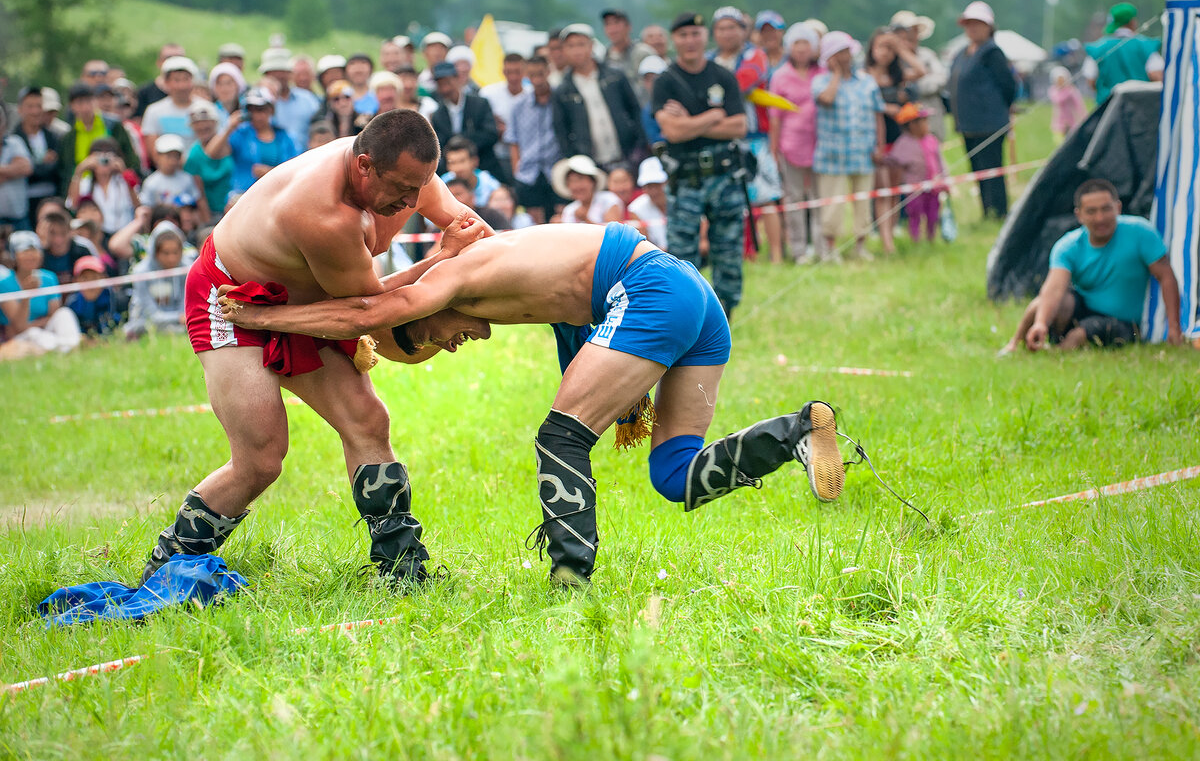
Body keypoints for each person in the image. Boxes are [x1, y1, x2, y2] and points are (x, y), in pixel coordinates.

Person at [216, 221, 846, 586]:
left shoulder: (458, 279)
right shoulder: (459, 272)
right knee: (674, 475)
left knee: (561, 438)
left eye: (432, 341)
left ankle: (571, 578)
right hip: (690, 297)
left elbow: (371, 307)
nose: (451, 347)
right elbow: (397, 294)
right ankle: (795, 433)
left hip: (651, 288)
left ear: (425, 315)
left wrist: (272, 317)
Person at [135, 110, 492, 589]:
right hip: (233, 298)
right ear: (364, 165)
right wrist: (440, 259)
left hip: (312, 299)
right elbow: (367, 308)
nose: (412, 201)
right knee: (261, 457)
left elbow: (476, 233)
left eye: (421, 187)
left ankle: (402, 568)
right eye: (402, 190)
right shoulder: (325, 213)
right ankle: (169, 561)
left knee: (368, 421)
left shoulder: (406, 169)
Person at [999, 179, 1183, 355]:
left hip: (1124, 323)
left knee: (1080, 334)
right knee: (1041, 303)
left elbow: (1166, 276)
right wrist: (1040, 323)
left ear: (1118, 208)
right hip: (1084, 308)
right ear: (1079, 215)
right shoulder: (1068, 246)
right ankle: (1015, 344)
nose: (1100, 218)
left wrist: (1174, 328)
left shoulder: (1141, 233)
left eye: (1106, 209)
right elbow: (1054, 288)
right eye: (1092, 211)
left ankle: (1055, 354)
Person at [653, 12, 748, 317]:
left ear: (704, 36)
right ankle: (686, 314)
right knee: (682, 254)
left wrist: (690, 123)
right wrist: (712, 116)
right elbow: (672, 132)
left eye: (695, 34)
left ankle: (725, 314)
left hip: (724, 175)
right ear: (674, 40)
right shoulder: (665, 81)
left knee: (728, 250)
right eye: (683, 35)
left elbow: (739, 127)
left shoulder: (722, 76)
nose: (690, 41)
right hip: (686, 178)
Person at [710, 6, 785, 263]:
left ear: (743, 31)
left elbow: (743, 82)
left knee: (766, 196)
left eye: (733, 27)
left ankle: (776, 255)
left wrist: (714, 94)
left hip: (754, 137)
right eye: (722, 28)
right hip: (719, 138)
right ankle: (742, 256)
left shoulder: (755, 55)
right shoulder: (708, 60)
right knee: (728, 200)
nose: (727, 33)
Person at [812, 31, 885, 261]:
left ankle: (860, 245)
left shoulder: (866, 81)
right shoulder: (821, 81)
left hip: (863, 151)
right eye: (838, 53)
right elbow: (826, 99)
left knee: (863, 202)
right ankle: (831, 248)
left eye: (846, 52)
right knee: (833, 203)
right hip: (833, 154)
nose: (844, 57)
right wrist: (835, 74)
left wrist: (879, 146)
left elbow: (877, 115)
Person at [949, 1, 1016, 219]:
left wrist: (998, 109)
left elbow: (1009, 85)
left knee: (993, 169)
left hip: (990, 124)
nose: (973, 28)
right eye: (969, 24)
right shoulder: (962, 53)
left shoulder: (993, 53)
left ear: (989, 27)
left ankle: (999, 211)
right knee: (977, 170)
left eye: (978, 24)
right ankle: (987, 210)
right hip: (968, 124)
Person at [553, 23, 646, 169]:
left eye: (581, 44)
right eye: (570, 46)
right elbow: (561, 131)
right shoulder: (563, 91)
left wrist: (639, 147)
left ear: (591, 46)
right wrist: (575, 161)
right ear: (564, 51)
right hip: (591, 165)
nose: (576, 51)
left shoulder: (615, 76)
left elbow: (635, 110)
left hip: (627, 156)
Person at [769, 22, 823, 263]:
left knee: (820, 197)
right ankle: (799, 249)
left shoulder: (822, 73)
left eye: (806, 44)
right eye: (797, 44)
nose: (801, 49)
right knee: (794, 198)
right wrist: (774, 149)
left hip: (821, 144)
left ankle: (823, 247)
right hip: (790, 146)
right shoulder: (780, 76)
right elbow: (775, 117)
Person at [865, 29, 921, 255]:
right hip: (875, 137)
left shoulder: (898, 76)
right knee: (882, 189)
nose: (885, 53)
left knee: (895, 189)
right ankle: (885, 239)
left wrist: (900, 48)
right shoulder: (864, 75)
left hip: (898, 138)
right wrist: (887, 108)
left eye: (889, 49)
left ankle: (892, 229)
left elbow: (920, 70)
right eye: (881, 47)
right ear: (871, 49)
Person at [2, 229, 82, 356]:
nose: (31, 255)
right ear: (14, 255)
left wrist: (35, 324)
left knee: (64, 313)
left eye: (34, 250)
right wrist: (26, 295)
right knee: (34, 333)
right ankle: (67, 348)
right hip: (20, 339)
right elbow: (19, 327)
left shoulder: (49, 278)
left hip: (46, 332)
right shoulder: (4, 283)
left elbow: (54, 315)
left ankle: (69, 347)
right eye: (25, 251)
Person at [204, 88, 298, 195]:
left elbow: (294, 171)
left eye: (260, 110)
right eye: (251, 110)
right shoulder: (241, 134)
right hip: (245, 195)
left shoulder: (284, 137)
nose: (256, 116)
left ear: (270, 110)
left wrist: (270, 173)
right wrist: (228, 128)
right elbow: (211, 153)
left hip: (276, 195)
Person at [505, 56, 563, 223]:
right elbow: (513, 140)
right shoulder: (519, 105)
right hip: (528, 171)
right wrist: (517, 168)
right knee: (534, 223)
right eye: (532, 74)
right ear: (526, 75)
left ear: (548, 72)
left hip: (556, 167)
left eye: (540, 73)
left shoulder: (560, 99)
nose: (537, 79)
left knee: (560, 218)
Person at [429, 62, 502, 180]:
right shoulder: (438, 114)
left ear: (457, 79)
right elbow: (439, 145)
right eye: (440, 84)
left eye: (448, 82)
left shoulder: (479, 104)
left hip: (485, 166)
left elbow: (491, 134)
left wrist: (461, 143)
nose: (445, 88)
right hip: (454, 174)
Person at [58, 83, 140, 188]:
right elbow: (65, 171)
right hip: (82, 189)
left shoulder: (113, 126)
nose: (85, 108)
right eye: (79, 103)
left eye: (88, 101)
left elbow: (130, 158)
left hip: (114, 185)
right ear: (72, 106)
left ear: (95, 101)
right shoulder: (69, 137)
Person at [123, 221, 194, 339]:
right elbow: (150, 314)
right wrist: (178, 318)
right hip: (145, 323)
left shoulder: (187, 269)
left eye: (175, 252)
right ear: (155, 252)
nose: (171, 258)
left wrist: (183, 318)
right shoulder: (141, 272)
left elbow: (185, 306)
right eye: (166, 253)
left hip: (181, 323)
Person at [886, 104, 946, 243]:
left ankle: (931, 237)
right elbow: (895, 163)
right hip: (913, 190)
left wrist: (945, 181)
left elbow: (940, 162)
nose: (927, 125)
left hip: (933, 187)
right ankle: (915, 238)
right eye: (923, 121)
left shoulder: (932, 140)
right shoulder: (903, 144)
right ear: (912, 125)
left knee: (933, 213)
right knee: (915, 213)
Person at [1083, 3, 1164, 105]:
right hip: (1140, 107)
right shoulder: (1145, 46)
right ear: (1132, 22)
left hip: (1107, 109)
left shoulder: (1098, 48)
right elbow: (1157, 76)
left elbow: (1091, 81)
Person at [889, 10, 948, 141]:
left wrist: (914, 88)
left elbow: (940, 79)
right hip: (903, 123)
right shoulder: (892, 60)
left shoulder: (927, 55)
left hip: (930, 119)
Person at [65, 137, 140, 236]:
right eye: (98, 157)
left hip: (121, 235)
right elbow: (73, 205)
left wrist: (123, 171)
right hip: (95, 236)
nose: (103, 162)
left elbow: (137, 205)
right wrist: (80, 170)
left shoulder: (122, 181)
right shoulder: (86, 183)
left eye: (108, 157)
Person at [480, 53, 532, 182]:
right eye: (509, 72)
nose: (513, 77)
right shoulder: (488, 94)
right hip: (498, 156)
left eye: (517, 72)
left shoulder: (532, 94)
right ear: (503, 71)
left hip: (526, 155)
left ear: (525, 72)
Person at [12, 87, 62, 219]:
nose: (35, 111)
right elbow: (21, 171)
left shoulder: (53, 137)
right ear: (20, 109)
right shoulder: (14, 140)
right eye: (30, 106)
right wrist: (39, 164)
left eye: (39, 106)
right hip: (23, 204)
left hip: (52, 199)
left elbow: (57, 168)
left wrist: (30, 165)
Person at [259, 51, 322, 152]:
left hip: (306, 158)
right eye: (273, 72)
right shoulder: (261, 103)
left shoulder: (307, 98)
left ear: (289, 73)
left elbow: (320, 126)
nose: (279, 76)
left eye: (282, 71)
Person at [141, 56, 203, 158]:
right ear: (166, 82)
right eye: (176, 80)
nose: (182, 86)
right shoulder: (154, 111)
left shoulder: (205, 108)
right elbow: (152, 150)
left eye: (186, 79)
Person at [140, 135, 207, 222]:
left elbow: (197, 203)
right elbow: (147, 209)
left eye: (176, 156)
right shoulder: (151, 182)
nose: (173, 161)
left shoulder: (187, 179)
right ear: (158, 156)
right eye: (168, 156)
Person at [184, 101, 234, 217]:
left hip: (236, 204)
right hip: (214, 212)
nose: (202, 126)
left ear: (214, 122)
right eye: (197, 123)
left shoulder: (229, 143)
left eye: (205, 121)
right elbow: (199, 194)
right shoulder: (194, 155)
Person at [602, 9, 655, 101]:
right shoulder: (603, 56)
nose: (612, 29)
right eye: (608, 24)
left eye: (616, 23)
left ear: (628, 27)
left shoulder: (643, 53)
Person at [552, 155, 622, 224]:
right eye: (571, 181)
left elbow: (613, 233)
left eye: (580, 179)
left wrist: (585, 219)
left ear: (593, 181)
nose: (576, 186)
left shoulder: (609, 200)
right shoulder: (569, 210)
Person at [65, 255, 122, 337]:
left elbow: (113, 322)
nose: (90, 283)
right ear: (76, 281)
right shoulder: (72, 302)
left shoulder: (111, 296)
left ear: (103, 277)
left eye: (94, 278)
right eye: (85, 278)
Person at [36, 209, 94, 283]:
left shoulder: (83, 252)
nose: (58, 240)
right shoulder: (38, 255)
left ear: (71, 232)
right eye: (52, 233)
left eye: (63, 233)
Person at [0, 107, 34, 234]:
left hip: (19, 221)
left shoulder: (15, 142)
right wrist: (12, 171)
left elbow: (26, 168)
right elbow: (18, 168)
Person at [440, 136, 501, 206]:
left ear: (475, 161)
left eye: (462, 161)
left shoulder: (490, 184)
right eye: (452, 163)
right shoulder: (442, 184)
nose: (458, 168)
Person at [628, 156, 670, 248]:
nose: (654, 191)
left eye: (657, 185)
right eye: (649, 186)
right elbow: (645, 247)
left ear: (667, 182)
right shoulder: (636, 209)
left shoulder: (683, 199)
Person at [135, 43, 185, 121]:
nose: (174, 62)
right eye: (169, 58)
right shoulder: (144, 92)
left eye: (178, 58)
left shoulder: (194, 91)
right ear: (159, 62)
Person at [1049, 67, 1086, 143]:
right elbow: (1057, 99)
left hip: (1071, 120)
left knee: (1072, 141)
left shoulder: (1072, 91)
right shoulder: (1053, 91)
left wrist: (1083, 117)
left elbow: (1079, 105)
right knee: (1059, 142)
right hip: (1060, 121)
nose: (1060, 82)